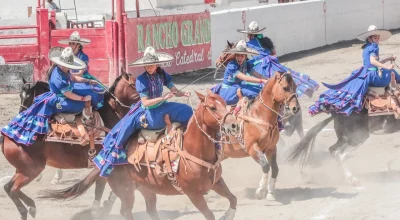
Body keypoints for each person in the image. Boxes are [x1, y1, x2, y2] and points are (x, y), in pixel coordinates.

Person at [93, 46, 193, 177]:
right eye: (147, 65)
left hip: (162, 106)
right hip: (150, 113)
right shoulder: (141, 80)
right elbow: (145, 102)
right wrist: (162, 98)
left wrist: (182, 93)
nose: (149, 67)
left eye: (151, 64)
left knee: (188, 110)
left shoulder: (162, 75)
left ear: (157, 64)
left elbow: (173, 90)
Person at [1, 47, 95, 146]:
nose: (68, 67)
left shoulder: (62, 70)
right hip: (57, 100)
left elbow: (72, 77)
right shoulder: (58, 77)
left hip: (59, 96)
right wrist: (83, 99)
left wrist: (86, 80)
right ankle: (58, 115)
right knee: (80, 105)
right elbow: (68, 94)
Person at [309, 25, 399, 116]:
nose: (377, 39)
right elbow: (373, 61)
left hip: (366, 72)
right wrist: (387, 67)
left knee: (386, 69)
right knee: (391, 72)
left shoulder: (367, 47)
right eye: (375, 37)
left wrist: (388, 59)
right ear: (370, 38)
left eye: (378, 38)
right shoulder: (374, 47)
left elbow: (373, 63)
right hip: (373, 76)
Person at [237, 21, 319, 98]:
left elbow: (243, 55)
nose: (247, 36)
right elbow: (273, 52)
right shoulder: (265, 40)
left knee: (257, 80)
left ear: (251, 35)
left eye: (248, 34)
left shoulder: (248, 44)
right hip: (272, 63)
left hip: (261, 66)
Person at [212, 40, 268, 106]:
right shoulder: (231, 65)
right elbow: (245, 78)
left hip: (238, 87)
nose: (240, 58)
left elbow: (256, 74)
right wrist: (262, 81)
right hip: (228, 92)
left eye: (242, 56)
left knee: (260, 89)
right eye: (238, 56)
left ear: (245, 57)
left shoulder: (246, 64)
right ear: (235, 56)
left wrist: (268, 79)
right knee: (254, 93)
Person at [58, 31, 104, 109]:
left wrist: (70, 75)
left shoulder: (83, 56)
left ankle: (92, 108)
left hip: (81, 77)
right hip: (69, 77)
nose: (71, 45)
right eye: (70, 43)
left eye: (73, 43)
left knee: (95, 90)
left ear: (78, 45)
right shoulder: (67, 55)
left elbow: (80, 73)